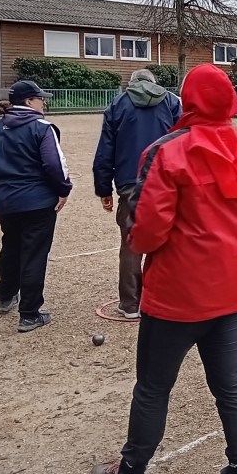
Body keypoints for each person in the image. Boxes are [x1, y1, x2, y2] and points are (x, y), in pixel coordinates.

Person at [90, 64, 237, 474]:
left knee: (153, 388)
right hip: (228, 293)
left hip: (174, 294)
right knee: (231, 388)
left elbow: (148, 233)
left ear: (189, 101)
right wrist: (230, 246)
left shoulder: (167, 151)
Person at [0, 80, 72, 333]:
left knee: (11, 246)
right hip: (38, 200)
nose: (44, 102)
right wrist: (63, 190)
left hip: (6, 200)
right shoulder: (42, 128)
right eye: (40, 98)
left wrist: (4, 179)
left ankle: (5, 296)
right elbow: (54, 164)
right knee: (35, 253)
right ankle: (29, 313)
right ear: (29, 102)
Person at [92, 68, 182, 319]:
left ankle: (130, 304)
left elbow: (105, 150)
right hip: (167, 181)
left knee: (131, 245)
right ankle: (164, 300)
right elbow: (183, 139)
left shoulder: (118, 104)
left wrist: (103, 188)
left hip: (130, 183)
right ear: (154, 82)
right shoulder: (172, 102)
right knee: (168, 242)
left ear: (131, 83)